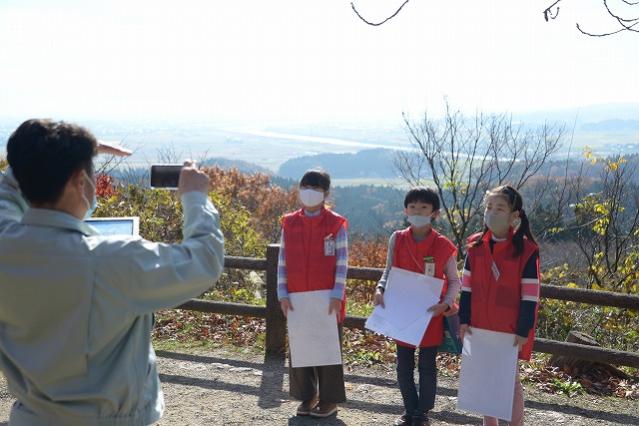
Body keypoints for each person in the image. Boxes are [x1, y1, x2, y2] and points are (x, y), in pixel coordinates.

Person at [0, 119, 225, 425]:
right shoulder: (112, 260)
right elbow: (204, 258)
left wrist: (38, 159)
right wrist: (196, 198)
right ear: (80, 181)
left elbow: (6, 195)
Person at [373, 187, 461, 426]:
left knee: (427, 367)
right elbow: (388, 271)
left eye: (423, 207)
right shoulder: (397, 238)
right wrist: (380, 289)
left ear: (435, 213)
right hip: (403, 312)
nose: (417, 211)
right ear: (405, 210)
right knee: (403, 365)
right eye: (413, 207)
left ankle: (422, 413)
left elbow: (454, 280)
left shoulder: (443, 245)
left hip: (430, 315)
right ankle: (409, 409)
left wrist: (445, 303)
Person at [459, 185, 540, 426]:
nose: (492, 212)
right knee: (484, 379)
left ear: (515, 215)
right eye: (489, 207)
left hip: (509, 328)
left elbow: (530, 295)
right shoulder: (475, 246)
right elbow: (466, 289)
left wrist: (523, 329)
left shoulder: (526, 251)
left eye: (500, 208)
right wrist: (463, 321)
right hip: (478, 325)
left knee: (509, 381)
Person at [277, 169, 348, 418]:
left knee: (328, 349)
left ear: (326, 193)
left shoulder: (336, 224)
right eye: (306, 186)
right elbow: (282, 260)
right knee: (300, 347)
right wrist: (282, 292)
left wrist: (338, 294)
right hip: (296, 296)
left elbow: (342, 261)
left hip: (328, 297)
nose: (310, 192)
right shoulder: (289, 222)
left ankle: (329, 400)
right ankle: (307, 396)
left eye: (316, 188)